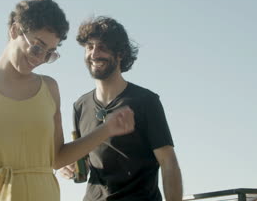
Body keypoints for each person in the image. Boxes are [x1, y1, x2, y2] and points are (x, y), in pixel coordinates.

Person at [0, 0, 134, 201]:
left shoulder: (49, 88)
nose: (39, 59)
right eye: (37, 47)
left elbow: (57, 158)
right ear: (15, 31)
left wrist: (106, 129)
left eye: (49, 54)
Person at [60, 16, 183, 201]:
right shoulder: (80, 105)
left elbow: (168, 162)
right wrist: (68, 167)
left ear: (120, 54)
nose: (94, 54)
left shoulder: (145, 101)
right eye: (89, 47)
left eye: (102, 47)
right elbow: (84, 159)